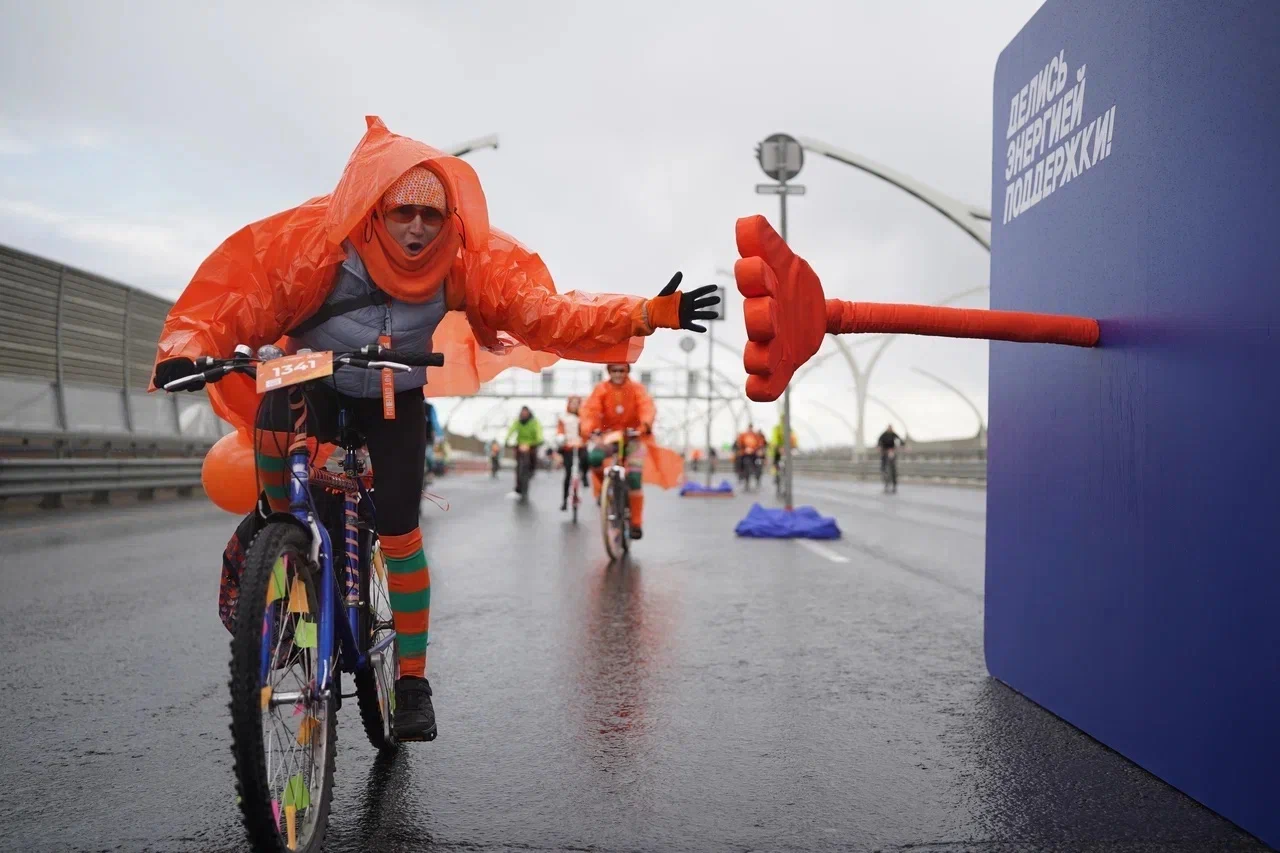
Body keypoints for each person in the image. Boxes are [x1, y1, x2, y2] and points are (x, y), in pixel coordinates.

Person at [150, 117, 720, 743]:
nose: (418, 227)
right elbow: (243, 294)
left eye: (431, 215)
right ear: (373, 212)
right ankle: (277, 536)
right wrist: (188, 346)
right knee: (275, 403)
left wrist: (643, 311)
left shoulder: (464, 264)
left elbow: (546, 314)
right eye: (403, 213)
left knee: (398, 529)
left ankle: (412, 681)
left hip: (397, 398)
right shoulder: (319, 247)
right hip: (312, 375)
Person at [580, 363, 655, 540]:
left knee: (634, 478)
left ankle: (636, 523)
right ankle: (605, 489)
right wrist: (590, 429)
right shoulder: (601, 389)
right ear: (609, 372)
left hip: (633, 438)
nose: (618, 374)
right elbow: (590, 411)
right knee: (594, 458)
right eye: (614, 370)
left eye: (622, 370)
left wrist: (644, 425)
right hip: (609, 436)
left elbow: (647, 408)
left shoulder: (637, 389)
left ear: (627, 371)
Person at [555, 396, 590, 511]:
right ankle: (565, 500)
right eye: (572, 403)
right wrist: (561, 438)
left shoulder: (584, 417)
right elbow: (560, 430)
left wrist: (585, 438)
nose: (574, 405)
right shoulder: (563, 417)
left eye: (577, 403)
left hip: (581, 446)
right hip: (568, 447)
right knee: (568, 473)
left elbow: (587, 429)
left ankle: (584, 476)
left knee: (586, 459)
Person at [506, 406, 543, 496]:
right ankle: (518, 487)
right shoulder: (517, 422)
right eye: (523, 413)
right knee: (519, 467)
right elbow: (511, 431)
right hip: (520, 445)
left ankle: (531, 471)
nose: (524, 414)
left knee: (532, 460)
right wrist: (507, 440)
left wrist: (538, 441)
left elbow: (539, 432)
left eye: (526, 413)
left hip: (532, 445)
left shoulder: (534, 422)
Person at [877, 424, 906, 493]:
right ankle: (884, 474)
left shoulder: (894, 434)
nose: (890, 429)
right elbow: (879, 441)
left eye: (891, 428)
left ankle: (894, 484)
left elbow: (900, 440)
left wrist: (902, 445)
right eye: (889, 428)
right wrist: (879, 447)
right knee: (883, 467)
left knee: (893, 468)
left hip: (891, 451)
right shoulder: (883, 434)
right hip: (884, 452)